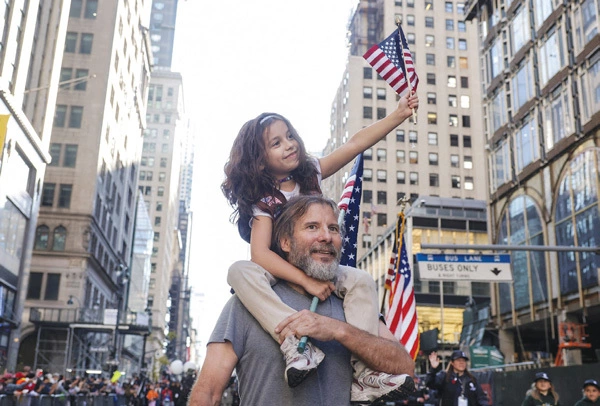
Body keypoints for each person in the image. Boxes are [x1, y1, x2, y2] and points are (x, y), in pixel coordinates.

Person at [221, 93, 419, 401]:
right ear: (259, 161)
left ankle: (365, 373)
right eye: (276, 143)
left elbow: (354, 144)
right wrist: (305, 282)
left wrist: (398, 115)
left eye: (289, 136)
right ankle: (292, 341)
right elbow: (259, 254)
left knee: (362, 280)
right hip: (283, 269)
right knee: (239, 271)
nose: (289, 144)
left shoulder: (310, 172)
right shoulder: (265, 200)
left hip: (320, 267)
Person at [189, 195, 416, 405]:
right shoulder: (246, 303)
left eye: (333, 228)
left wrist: (339, 330)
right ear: (285, 243)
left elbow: (405, 367)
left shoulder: (353, 305)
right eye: (312, 227)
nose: (326, 236)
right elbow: (207, 393)